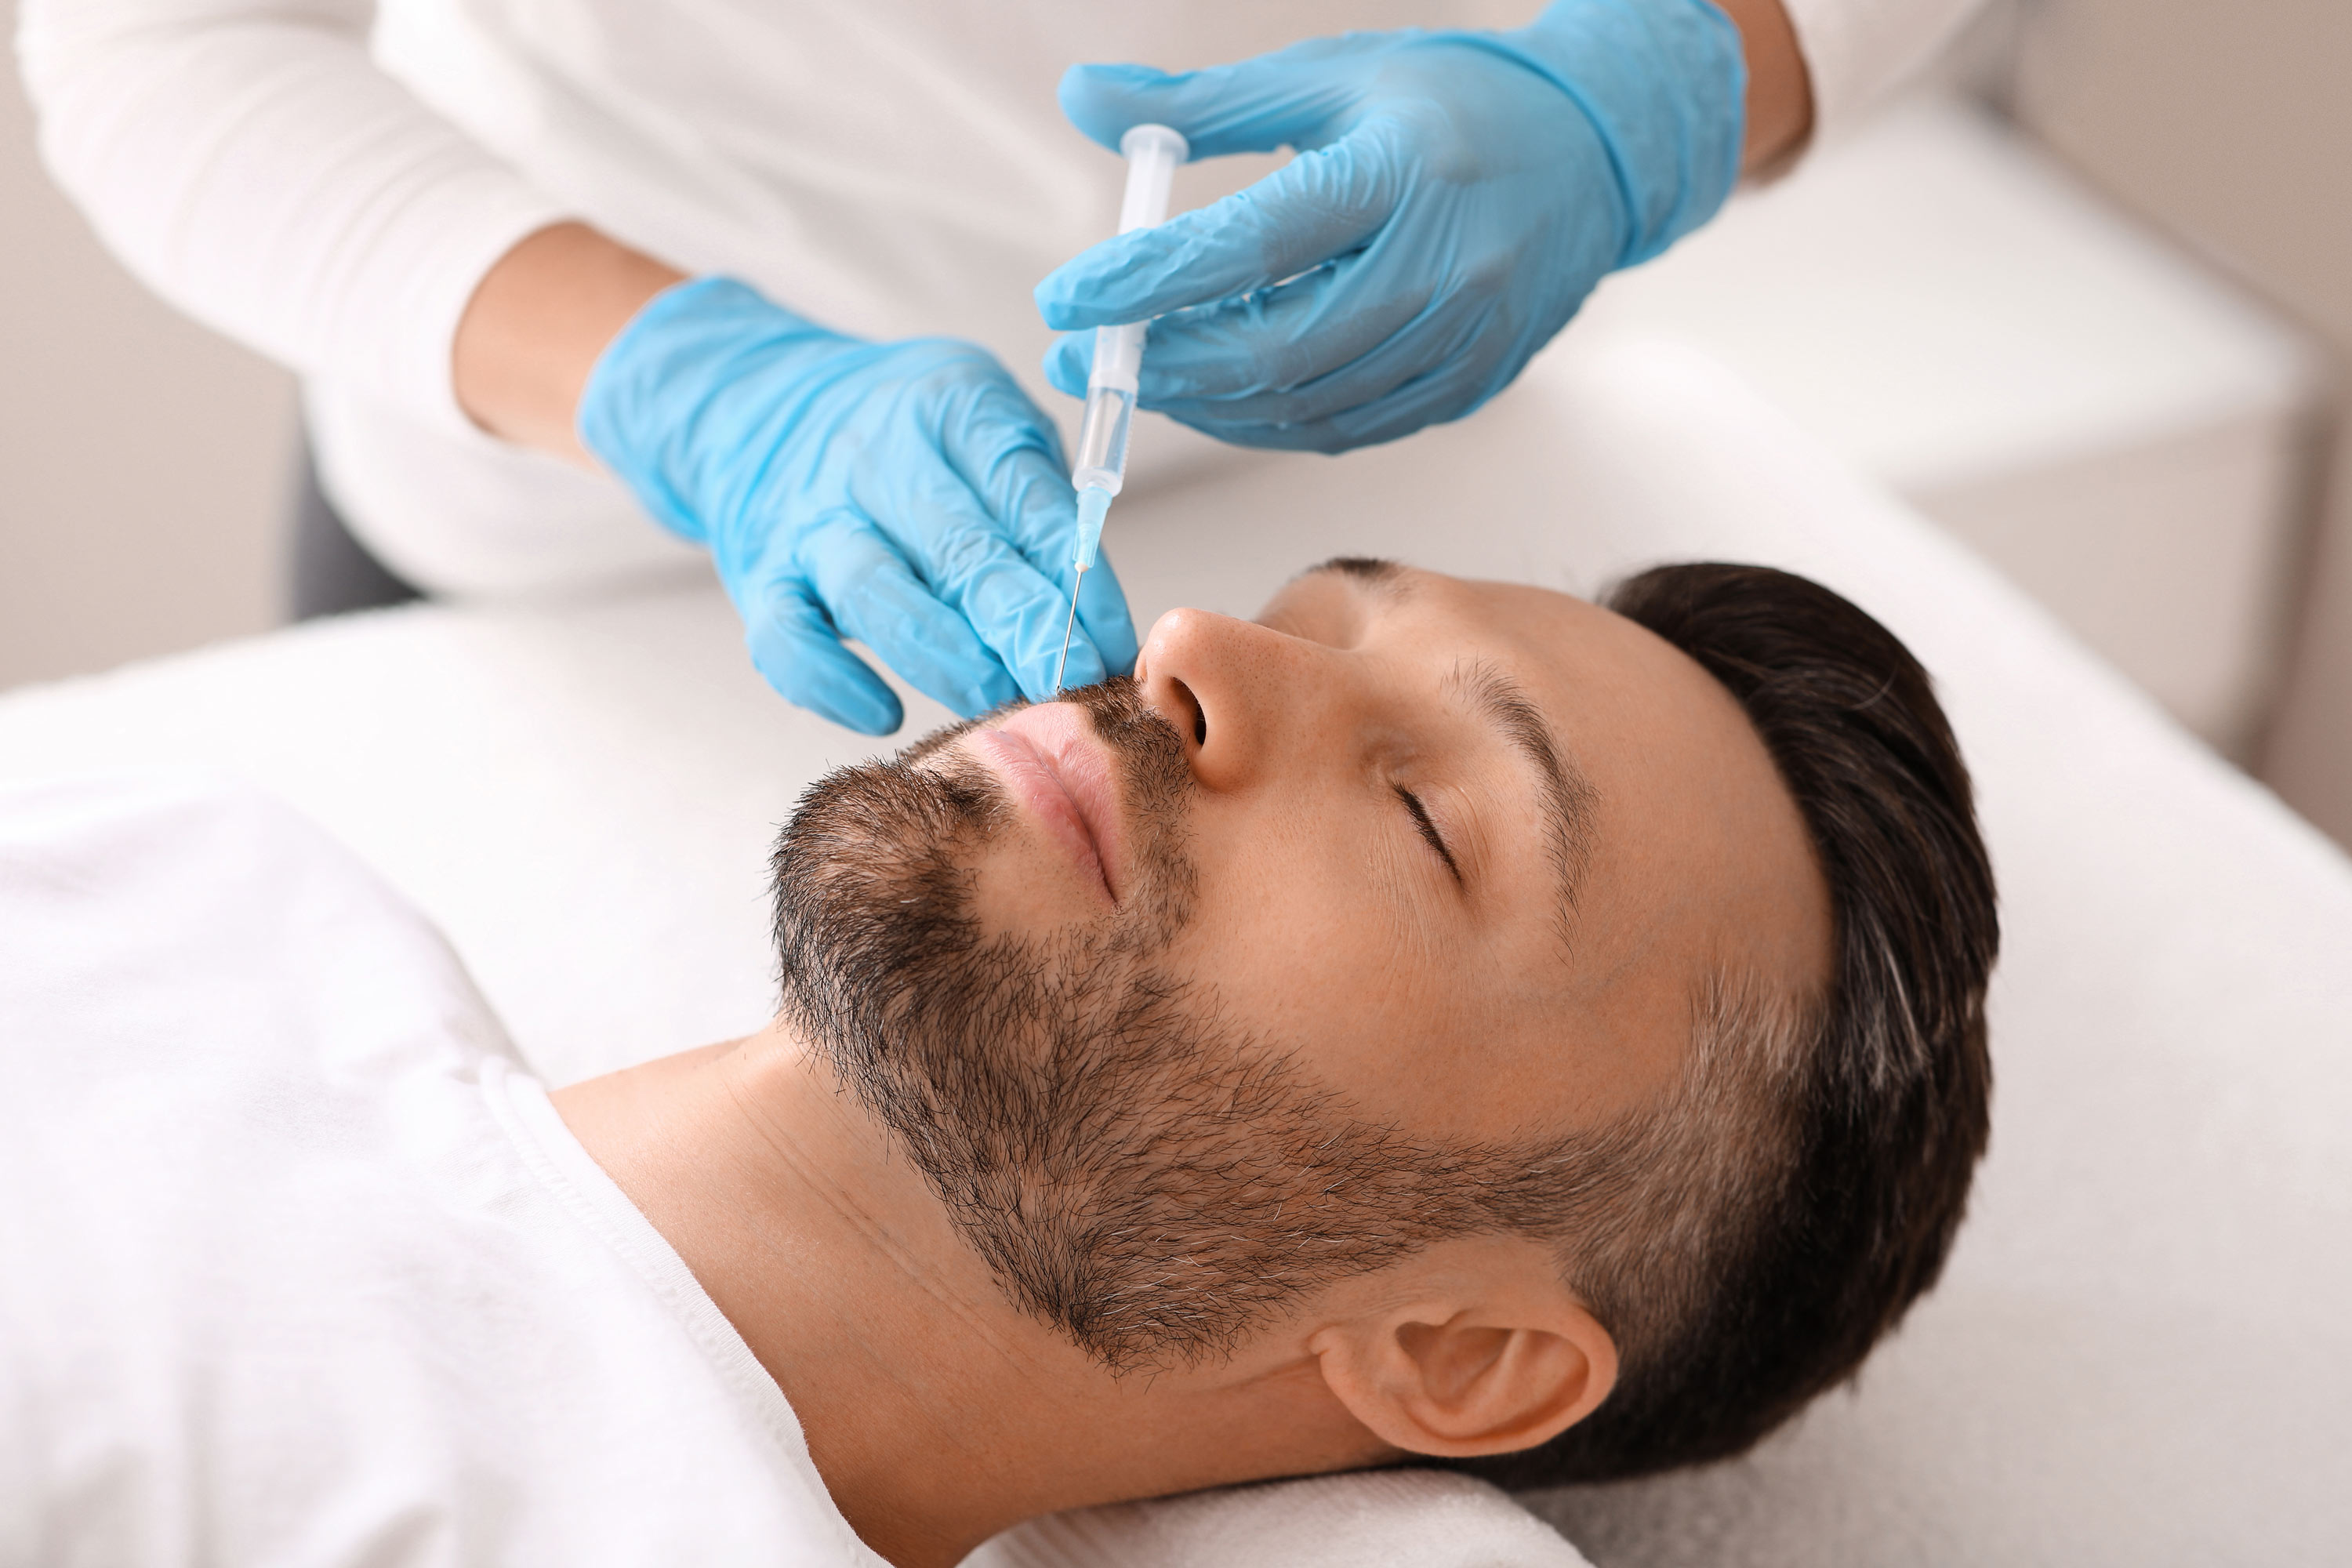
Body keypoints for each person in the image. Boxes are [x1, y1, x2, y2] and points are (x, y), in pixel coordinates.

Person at [0, 557, 1996, 1565]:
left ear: (1456, 1353)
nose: (1201, 642)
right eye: (1316, 613)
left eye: (1431, 819)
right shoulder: (198, 877)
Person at [20, 0, 1983, 731]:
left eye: (1428, 822)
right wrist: (689, 385)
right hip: (570, 474)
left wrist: (1669, 78)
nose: (1193, 663)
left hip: (1405, 411)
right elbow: (145, 42)